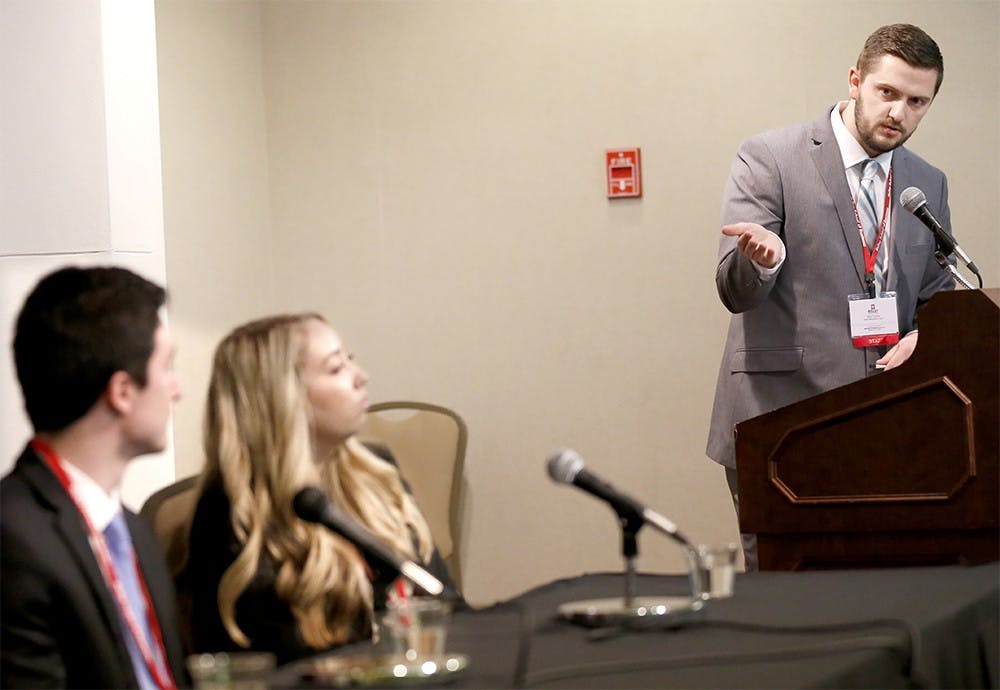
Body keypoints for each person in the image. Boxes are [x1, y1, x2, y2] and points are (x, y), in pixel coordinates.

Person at [706, 24, 955, 569]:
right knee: (787, 596)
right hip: (783, 422)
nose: (899, 113)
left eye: (917, 101)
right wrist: (760, 260)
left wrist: (923, 337)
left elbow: (937, 299)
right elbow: (734, 289)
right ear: (855, 81)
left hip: (885, 425)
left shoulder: (925, 182)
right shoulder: (771, 156)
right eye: (887, 93)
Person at [184, 313, 454, 664]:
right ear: (282, 397)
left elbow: (445, 605)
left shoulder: (376, 475)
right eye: (336, 368)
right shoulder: (230, 517)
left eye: (350, 361)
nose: (361, 377)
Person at [1, 266, 187, 688]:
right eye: (167, 367)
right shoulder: (12, 539)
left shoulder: (136, 532)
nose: (177, 389)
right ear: (122, 391)